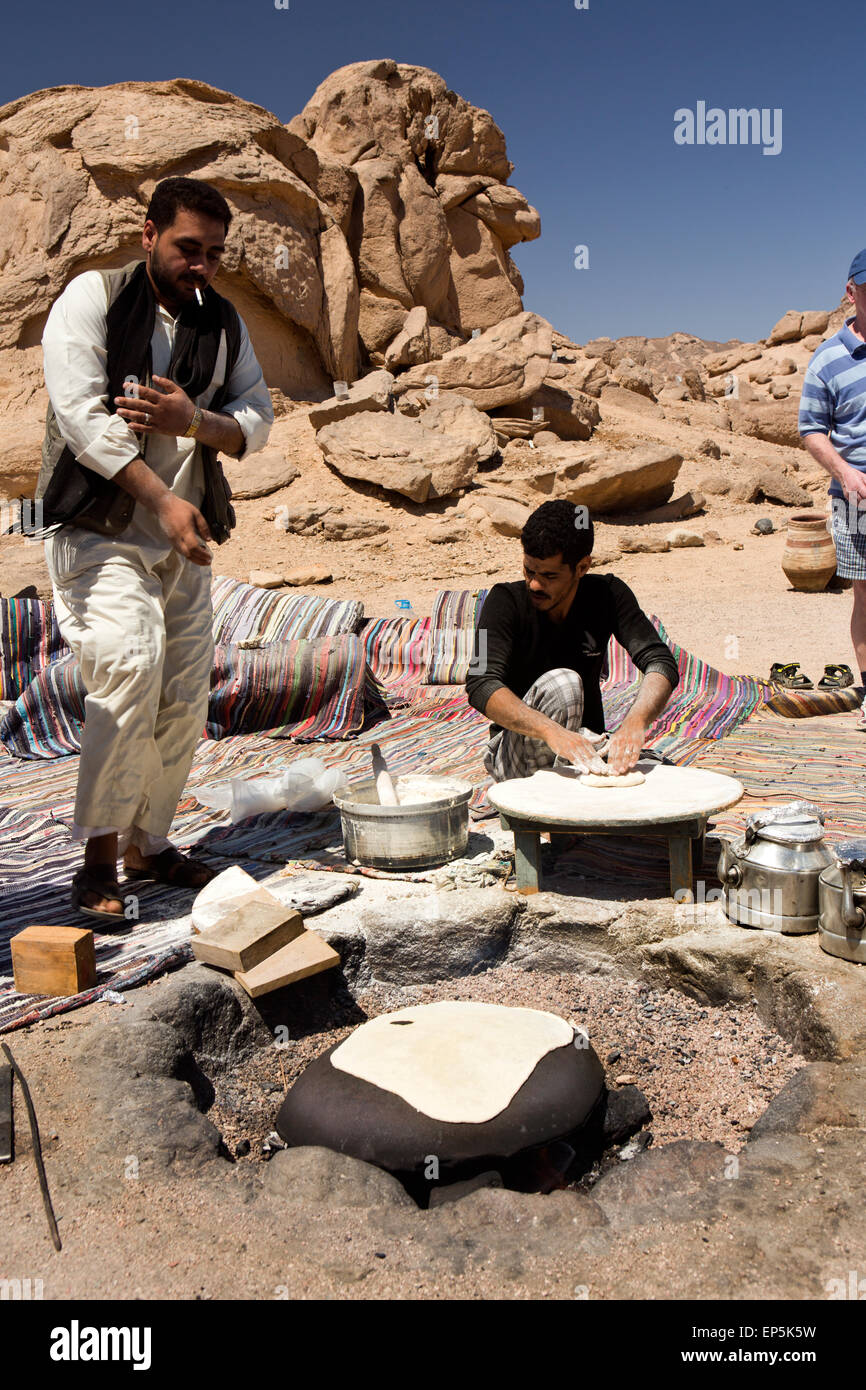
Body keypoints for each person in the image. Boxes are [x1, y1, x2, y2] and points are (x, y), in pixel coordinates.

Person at [40, 177, 274, 918]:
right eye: (186, 247)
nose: (199, 264)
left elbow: (256, 419)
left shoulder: (223, 321)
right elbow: (81, 416)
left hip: (183, 542)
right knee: (130, 668)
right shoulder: (95, 298)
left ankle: (152, 840)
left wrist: (193, 420)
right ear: (148, 234)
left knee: (181, 690)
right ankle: (99, 858)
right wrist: (163, 498)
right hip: (103, 529)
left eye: (213, 253)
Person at [465, 499, 679, 780]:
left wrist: (635, 723)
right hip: (519, 756)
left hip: (585, 750)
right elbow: (480, 682)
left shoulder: (609, 595)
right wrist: (552, 732)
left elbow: (660, 662)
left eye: (549, 575)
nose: (535, 585)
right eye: (529, 571)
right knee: (564, 682)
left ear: (582, 567)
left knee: (665, 778)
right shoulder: (502, 601)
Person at [799, 248, 866, 728]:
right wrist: (846, 473)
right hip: (857, 499)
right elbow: (811, 429)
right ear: (851, 292)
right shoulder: (828, 358)